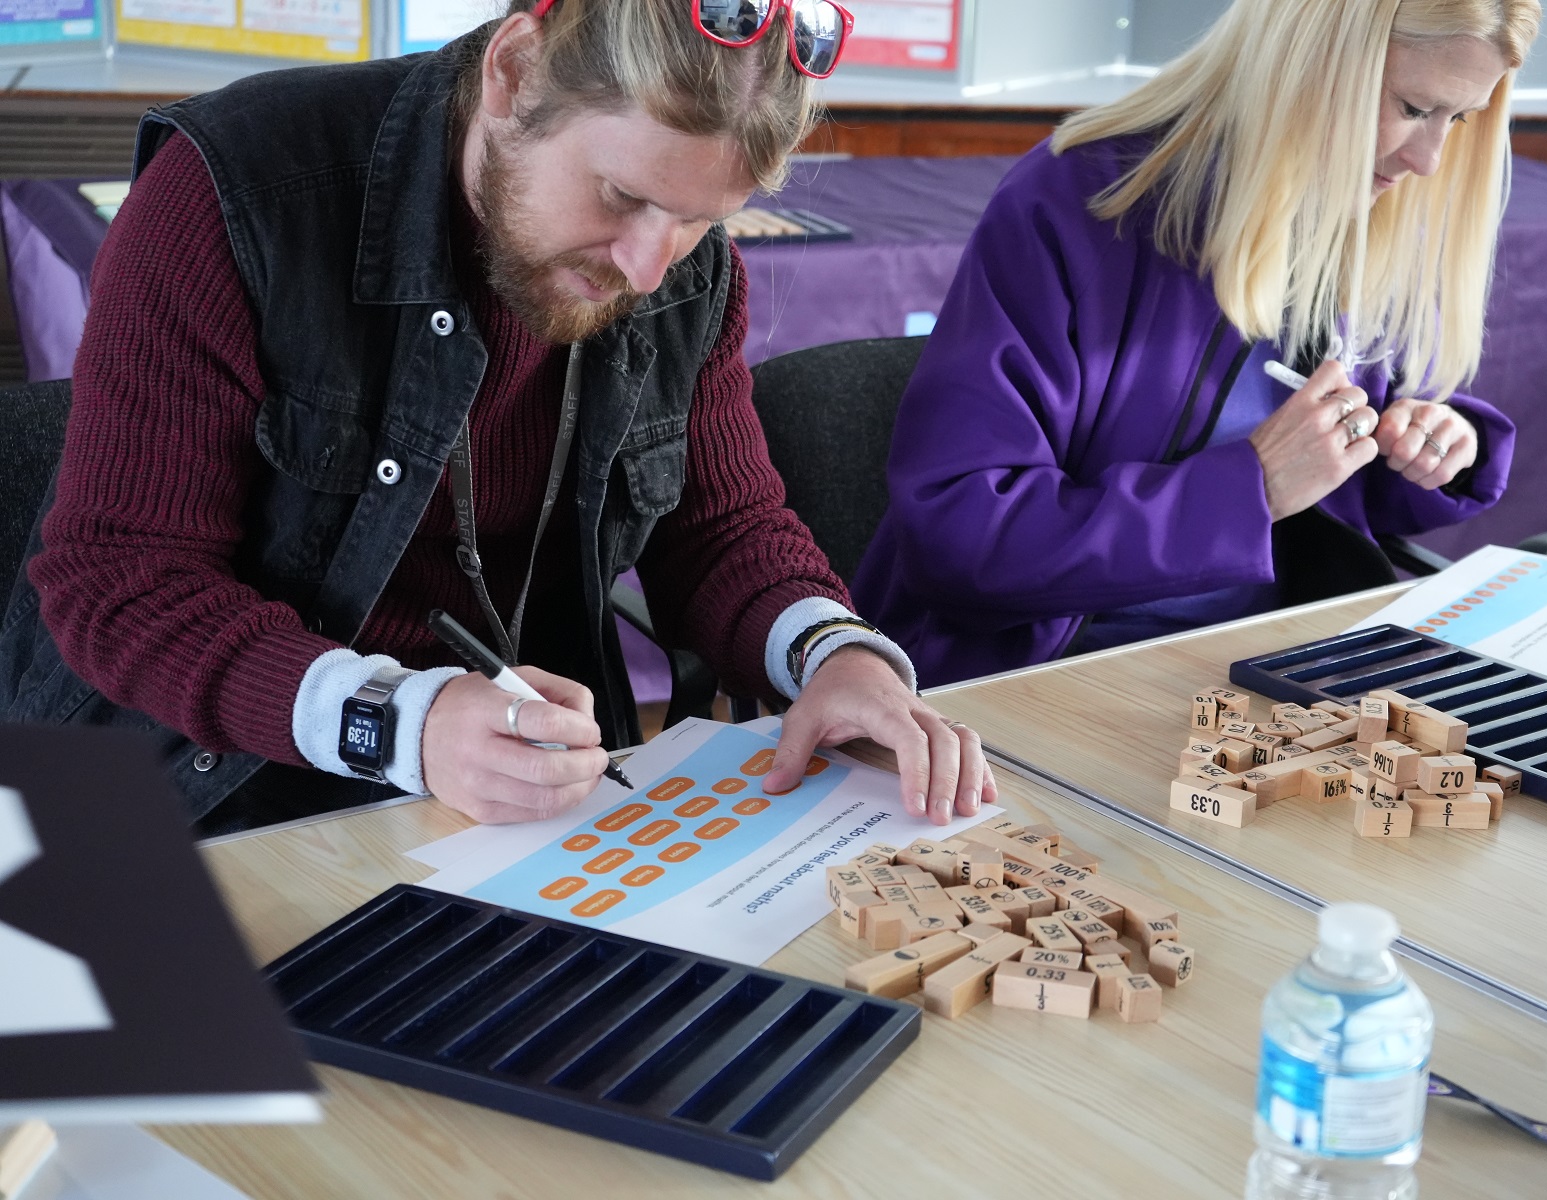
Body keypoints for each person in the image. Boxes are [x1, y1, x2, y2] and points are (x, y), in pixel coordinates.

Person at [0, 0, 995, 834]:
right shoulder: (237, 194)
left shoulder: (681, 269)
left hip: (516, 797)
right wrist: (402, 723)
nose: (650, 267)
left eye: (701, 219)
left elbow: (721, 527)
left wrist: (837, 654)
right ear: (514, 74)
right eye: (622, 194)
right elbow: (120, 582)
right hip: (204, 795)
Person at [854, 0, 1540, 688]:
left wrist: (1421, 445)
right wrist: (1252, 490)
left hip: (1263, 668)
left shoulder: (1354, 214)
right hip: (1045, 681)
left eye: (1460, 119)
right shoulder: (1080, 203)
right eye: (1415, 108)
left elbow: (1338, 499)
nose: (1429, 160)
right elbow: (963, 539)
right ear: (1308, 63)